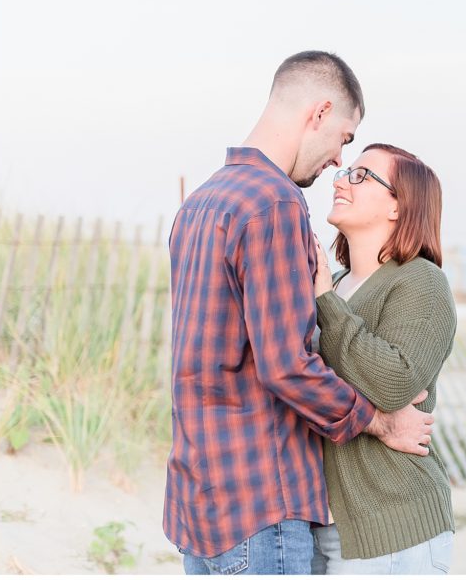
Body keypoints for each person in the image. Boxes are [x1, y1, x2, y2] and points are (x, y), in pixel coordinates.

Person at [163, 52, 434, 575]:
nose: (337, 160)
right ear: (320, 112)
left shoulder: (200, 203)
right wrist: (380, 424)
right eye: (344, 139)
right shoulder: (276, 203)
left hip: (198, 501)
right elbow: (285, 366)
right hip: (261, 501)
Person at [308, 143, 457, 574]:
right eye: (344, 172)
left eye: (361, 175)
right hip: (328, 524)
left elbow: (394, 383)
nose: (340, 180)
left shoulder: (421, 282)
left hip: (394, 523)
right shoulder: (333, 283)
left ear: (399, 206)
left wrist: (324, 300)